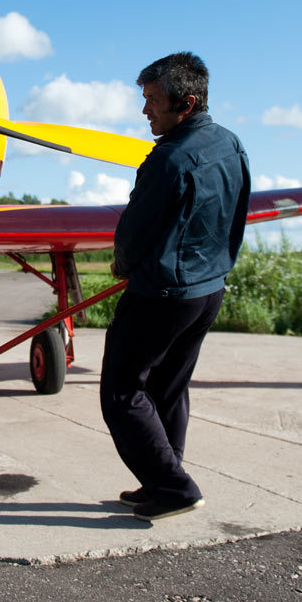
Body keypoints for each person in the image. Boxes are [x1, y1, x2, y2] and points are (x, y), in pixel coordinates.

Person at [103, 52, 251, 522]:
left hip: (161, 295)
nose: (146, 111)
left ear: (185, 104)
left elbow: (133, 233)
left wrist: (122, 266)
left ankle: (174, 487)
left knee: (122, 391)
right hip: (208, 292)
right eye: (144, 99)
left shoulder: (168, 160)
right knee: (167, 389)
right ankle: (160, 483)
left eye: (153, 101)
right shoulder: (231, 144)